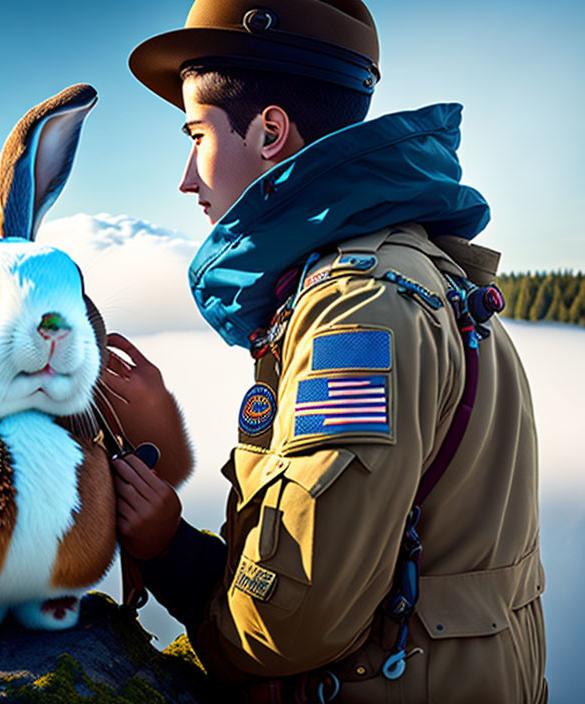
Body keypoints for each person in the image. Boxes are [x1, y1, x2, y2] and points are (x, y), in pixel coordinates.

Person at [101, 0, 548, 702]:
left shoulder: (355, 309)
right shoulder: (426, 269)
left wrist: (173, 556)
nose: (187, 178)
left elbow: (290, 628)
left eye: (198, 135)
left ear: (271, 131)